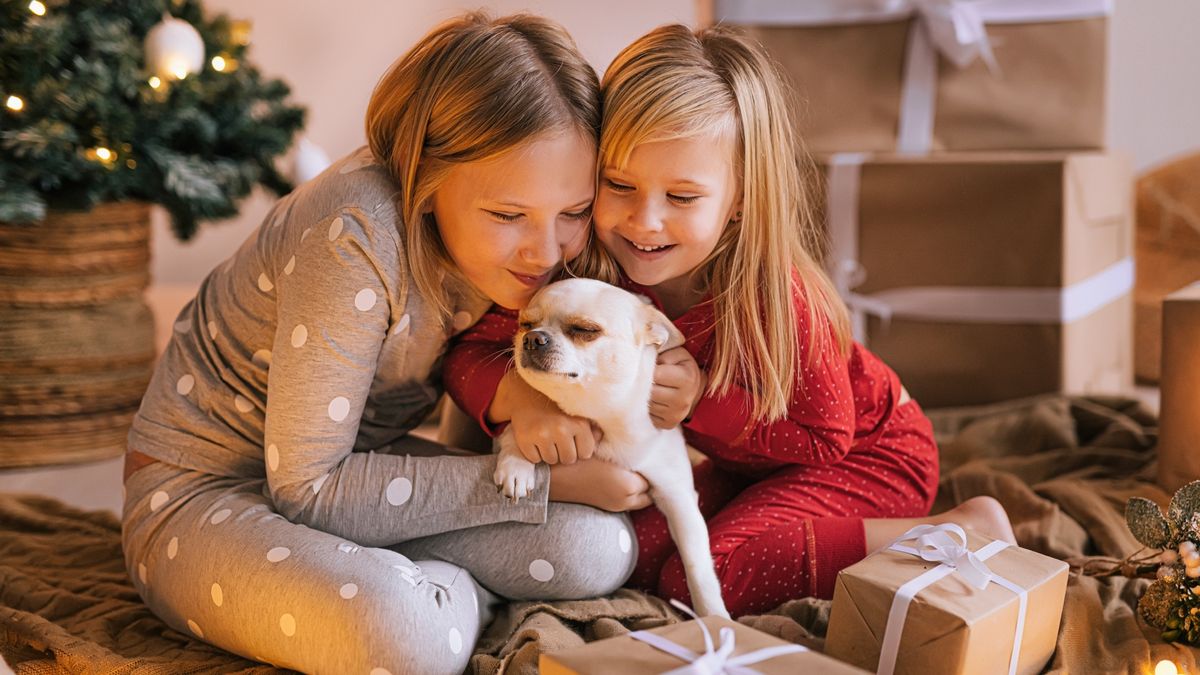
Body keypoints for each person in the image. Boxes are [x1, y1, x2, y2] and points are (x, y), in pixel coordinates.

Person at [120, 13, 643, 674]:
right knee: (397, 634)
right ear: (425, 178)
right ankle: (426, 606)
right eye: (509, 215)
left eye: (571, 213)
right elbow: (306, 489)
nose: (546, 249)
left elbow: (469, 370)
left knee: (599, 548)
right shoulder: (355, 234)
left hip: (364, 474)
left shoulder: (513, 252)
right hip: (204, 494)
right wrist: (541, 482)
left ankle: (430, 596)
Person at [444, 23, 1016, 619]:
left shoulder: (780, 301)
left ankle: (954, 531)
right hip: (747, 470)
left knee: (705, 580)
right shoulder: (591, 280)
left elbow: (825, 441)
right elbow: (467, 353)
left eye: (683, 197)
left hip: (869, 460)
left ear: (740, 196)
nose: (645, 221)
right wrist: (520, 400)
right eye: (619, 185)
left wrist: (700, 402)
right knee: (639, 556)